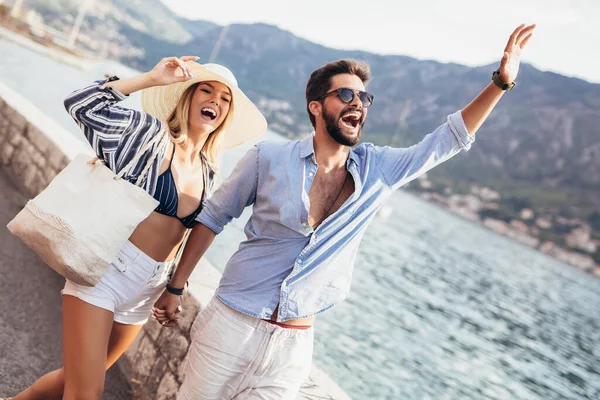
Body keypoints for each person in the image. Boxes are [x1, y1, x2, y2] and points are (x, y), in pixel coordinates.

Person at [154, 24, 536, 399]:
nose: (358, 103)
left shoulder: (378, 170)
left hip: (293, 346)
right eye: (347, 95)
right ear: (316, 107)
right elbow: (213, 217)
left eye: (364, 98)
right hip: (230, 323)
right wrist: (176, 286)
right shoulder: (266, 158)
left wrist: (499, 84)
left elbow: (446, 140)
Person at [12, 56, 266, 400]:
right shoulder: (149, 136)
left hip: (148, 289)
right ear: (187, 97)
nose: (215, 101)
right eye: (206, 90)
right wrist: (150, 78)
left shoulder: (209, 171)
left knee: (70, 380)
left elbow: (186, 236)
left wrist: (175, 288)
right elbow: (81, 104)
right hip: (105, 274)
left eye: (224, 99)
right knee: (85, 392)